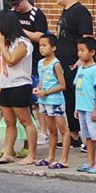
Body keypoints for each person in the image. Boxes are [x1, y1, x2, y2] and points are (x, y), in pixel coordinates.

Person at [0, 9, 36, 165]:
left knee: (26, 121)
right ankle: (8, 152)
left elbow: (11, 60)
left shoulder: (23, 43)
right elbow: (1, 52)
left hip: (20, 85)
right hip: (6, 85)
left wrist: (1, 44)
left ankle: (32, 154)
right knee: (10, 122)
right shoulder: (8, 43)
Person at [4, 0, 47, 145]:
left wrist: (20, 31)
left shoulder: (36, 14)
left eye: (17, 4)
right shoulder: (13, 15)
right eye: (12, 5)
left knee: (38, 100)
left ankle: (43, 131)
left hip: (34, 60)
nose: (15, 8)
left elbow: (40, 36)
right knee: (24, 101)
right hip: (19, 63)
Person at [52, 0, 92, 147]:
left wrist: (81, 60)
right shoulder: (66, 11)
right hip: (63, 63)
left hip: (74, 64)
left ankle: (89, 137)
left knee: (80, 100)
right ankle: (74, 135)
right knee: (68, 98)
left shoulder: (80, 11)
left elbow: (87, 38)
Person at [73, 35, 96, 174]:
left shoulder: (95, 70)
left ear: (92, 52)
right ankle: (90, 162)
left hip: (92, 109)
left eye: (83, 50)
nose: (80, 53)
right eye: (78, 50)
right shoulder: (81, 69)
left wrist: (95, 110)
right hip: (82, 108)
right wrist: (77, 107)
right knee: (87, 137)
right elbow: (78, 89)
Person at [34, 33, 70, 169]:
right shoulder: (40, 63)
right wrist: (38, 89)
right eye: (40, 45)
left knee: (63, 130)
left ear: (53, 48)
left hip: (55, 100)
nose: (41, 48)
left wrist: (46, 92)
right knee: (51, 130)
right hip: (44, 100)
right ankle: (50, 157)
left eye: (44, 45)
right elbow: (42, 81)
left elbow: (62, 85)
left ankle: (64, 159)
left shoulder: (56, 64)